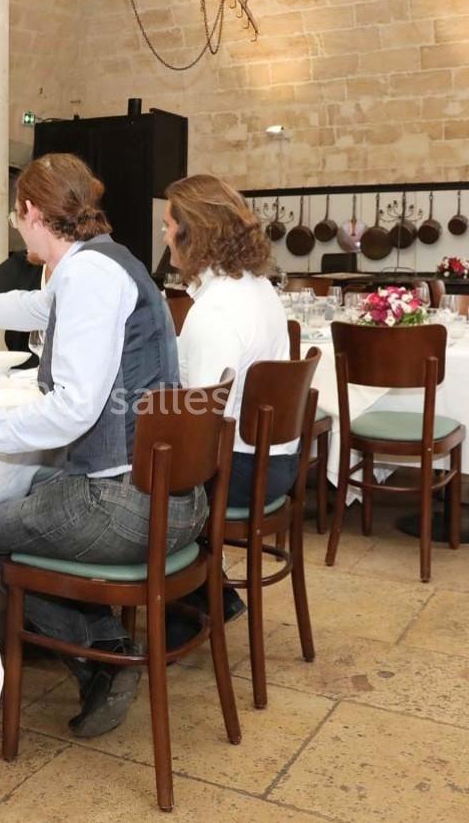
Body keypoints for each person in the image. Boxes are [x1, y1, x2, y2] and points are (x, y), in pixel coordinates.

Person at [0, 153, 207, 738]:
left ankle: (97, 653)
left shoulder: (89, 276)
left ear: (31, 212)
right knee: (19, 485)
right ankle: (97, 642)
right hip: (167, 493)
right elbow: (33, 306)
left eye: (16, 215)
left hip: (132, 505)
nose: (17, 226)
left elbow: (73, 410)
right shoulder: (101, 262)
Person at [161, 174, 295, 645]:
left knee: (130, 478)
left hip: (239, 470)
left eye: (168, 225)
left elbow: (198, 430)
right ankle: (210, 596)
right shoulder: (257, 286)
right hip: (274, 462)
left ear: (191, 234)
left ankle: (177, 610)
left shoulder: (215, 311)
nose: (164, 235)